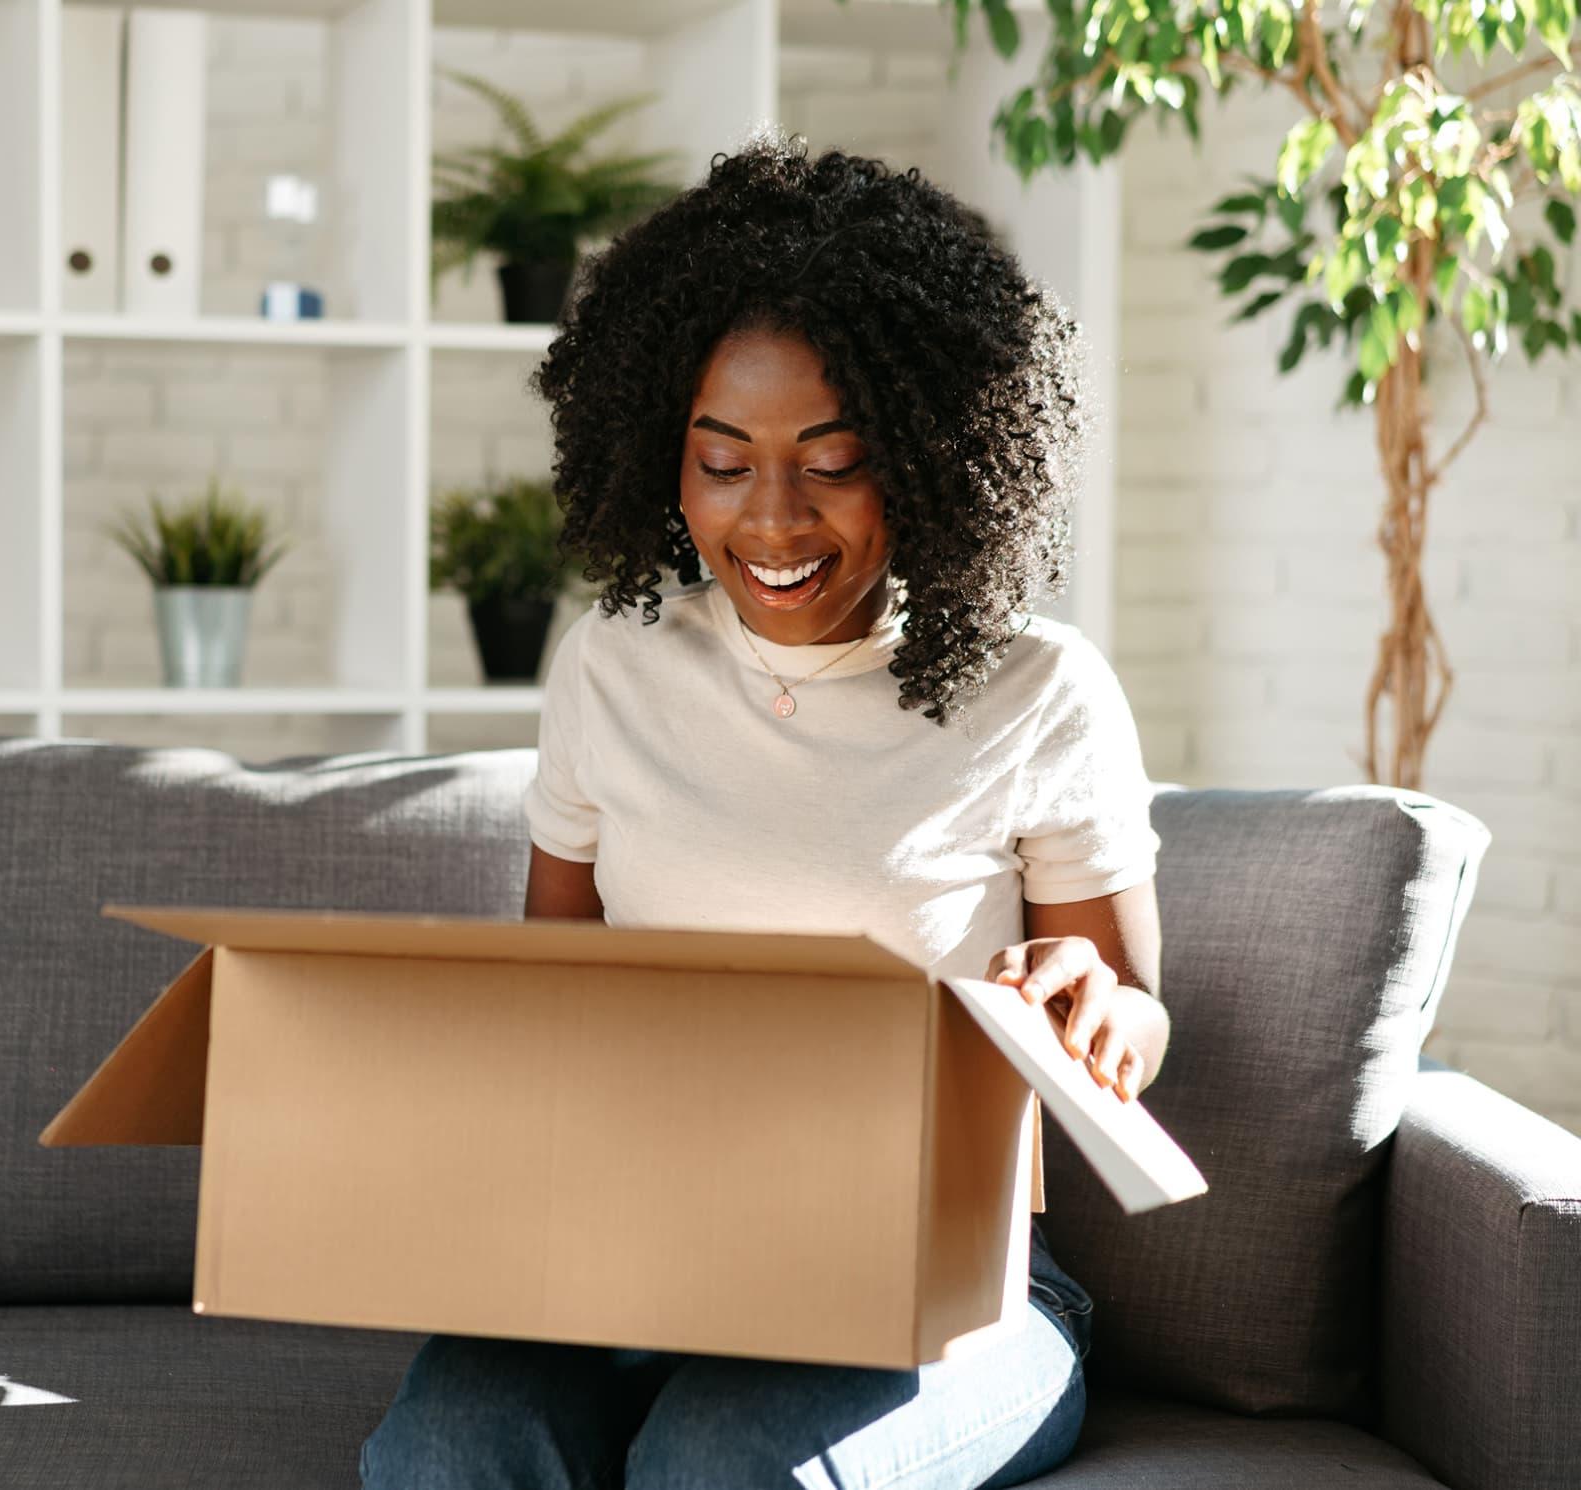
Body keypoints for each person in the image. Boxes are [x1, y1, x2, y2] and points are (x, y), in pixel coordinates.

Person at [359, 132, 1165, 1490]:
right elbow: (553, 995)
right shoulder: (615, 668)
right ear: (659, 459)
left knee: (718, 1465)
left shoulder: (1042, 690)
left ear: (925, 453)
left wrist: (1093, 998)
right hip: (638, 1257)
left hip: (944, 1280)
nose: (773, 520)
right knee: (444, 1447)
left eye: (832, 460)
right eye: (722, 460)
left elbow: (1131, 1023)